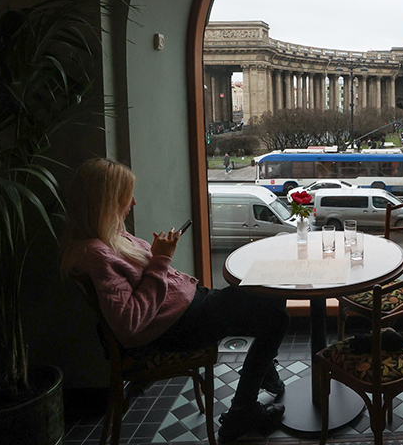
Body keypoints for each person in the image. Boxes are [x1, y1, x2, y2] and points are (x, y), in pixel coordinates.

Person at [60, 159, 289, 444]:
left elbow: (147, 278)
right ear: (105, 202)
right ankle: (243, 409)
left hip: (188, 310)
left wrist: (156, 255)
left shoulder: (111, 236)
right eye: (125, 196)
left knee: (272, 300)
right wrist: (160, 259)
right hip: (181, 325)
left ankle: (260, 375)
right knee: (276, 315)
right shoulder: (97, 254)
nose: (132, 202)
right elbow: (129, 324)